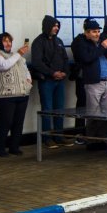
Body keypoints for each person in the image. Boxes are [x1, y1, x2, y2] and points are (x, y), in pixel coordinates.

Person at [71, 18, 107, 151]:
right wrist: (102, 47)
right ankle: (91, 140)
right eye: (94, 32)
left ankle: (102, 139)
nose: (97, 34)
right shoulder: (80, 43)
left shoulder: (99, 42)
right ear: (87, 32)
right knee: (93, 113)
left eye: (98, 31)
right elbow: (87, 58)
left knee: (106, 112)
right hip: (93, 82)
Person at [0, 33, 32, 157]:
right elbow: (4, 65)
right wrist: (19, 53)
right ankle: (0, 149)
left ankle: (14, 147)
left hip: (22, 93)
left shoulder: (17, 56)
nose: (8, 44)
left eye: (10, 41)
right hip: (4, 96)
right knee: (6, 122)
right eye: (5, 41)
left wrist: (28, 79)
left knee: (18, 122)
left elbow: (25, 68)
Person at [31, 15, 72, 148]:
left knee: (60, 109)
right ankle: (47, 137)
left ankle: (59, 136)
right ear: (47, 26)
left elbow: (65, 59)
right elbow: (37, 62)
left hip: (60, 80)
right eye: (54, 26)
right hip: (47, 81)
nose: (56, 28)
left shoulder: (58, 41)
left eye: (57, 26)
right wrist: (52, 73)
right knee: (47, 109)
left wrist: (64, 72)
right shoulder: (38, 42)